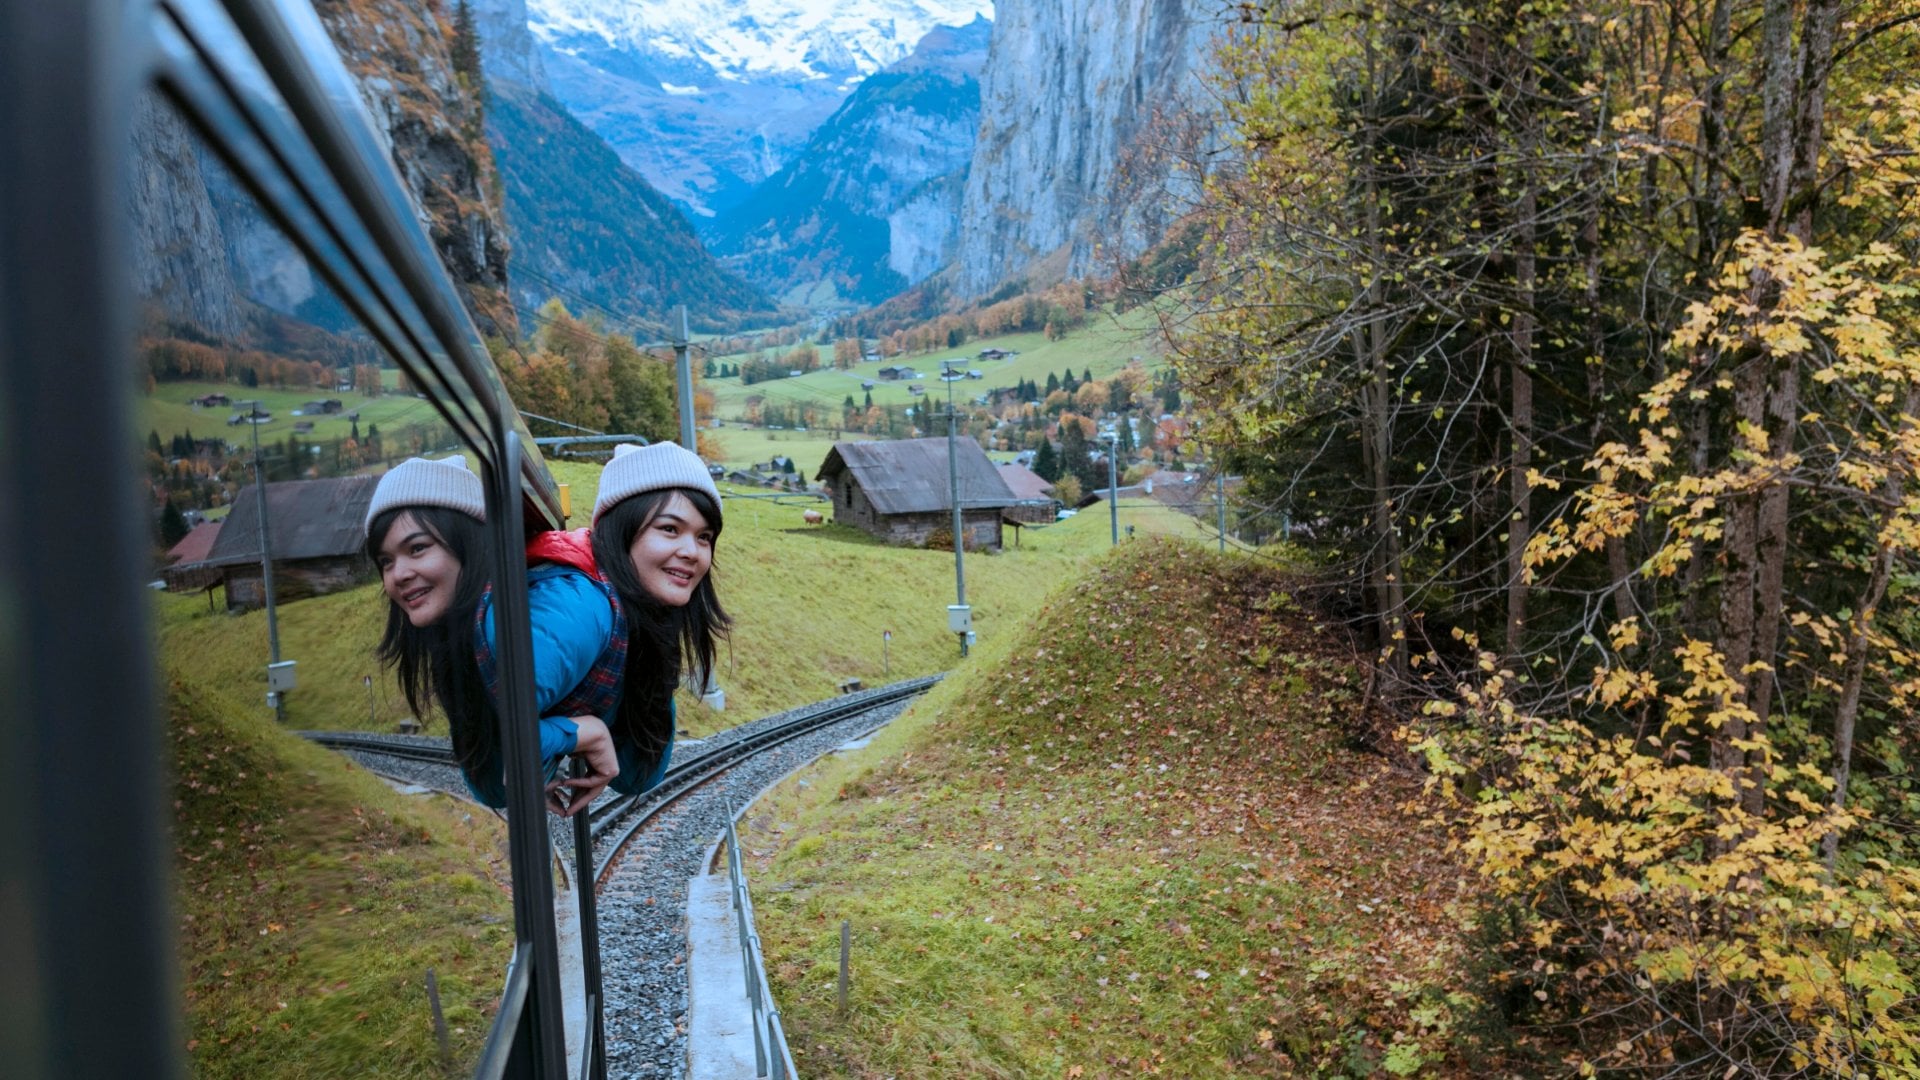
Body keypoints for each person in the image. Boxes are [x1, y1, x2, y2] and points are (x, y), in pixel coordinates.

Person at [364, 455, 625, 815]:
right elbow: (489, 779)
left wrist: (583, 732)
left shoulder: (516, 624)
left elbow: (513, 751)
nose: (399, 574)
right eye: (386, 562)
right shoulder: (460, 638)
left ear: (468, 545)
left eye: (418, 548)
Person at [587, 442, 732, 791]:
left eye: (704, 537)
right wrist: (577, 733)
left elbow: (639, 772)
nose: (691, 552)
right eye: (670, 528)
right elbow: (503, 750)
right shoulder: (584, 610)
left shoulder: (643, 622)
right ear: (621, 532)